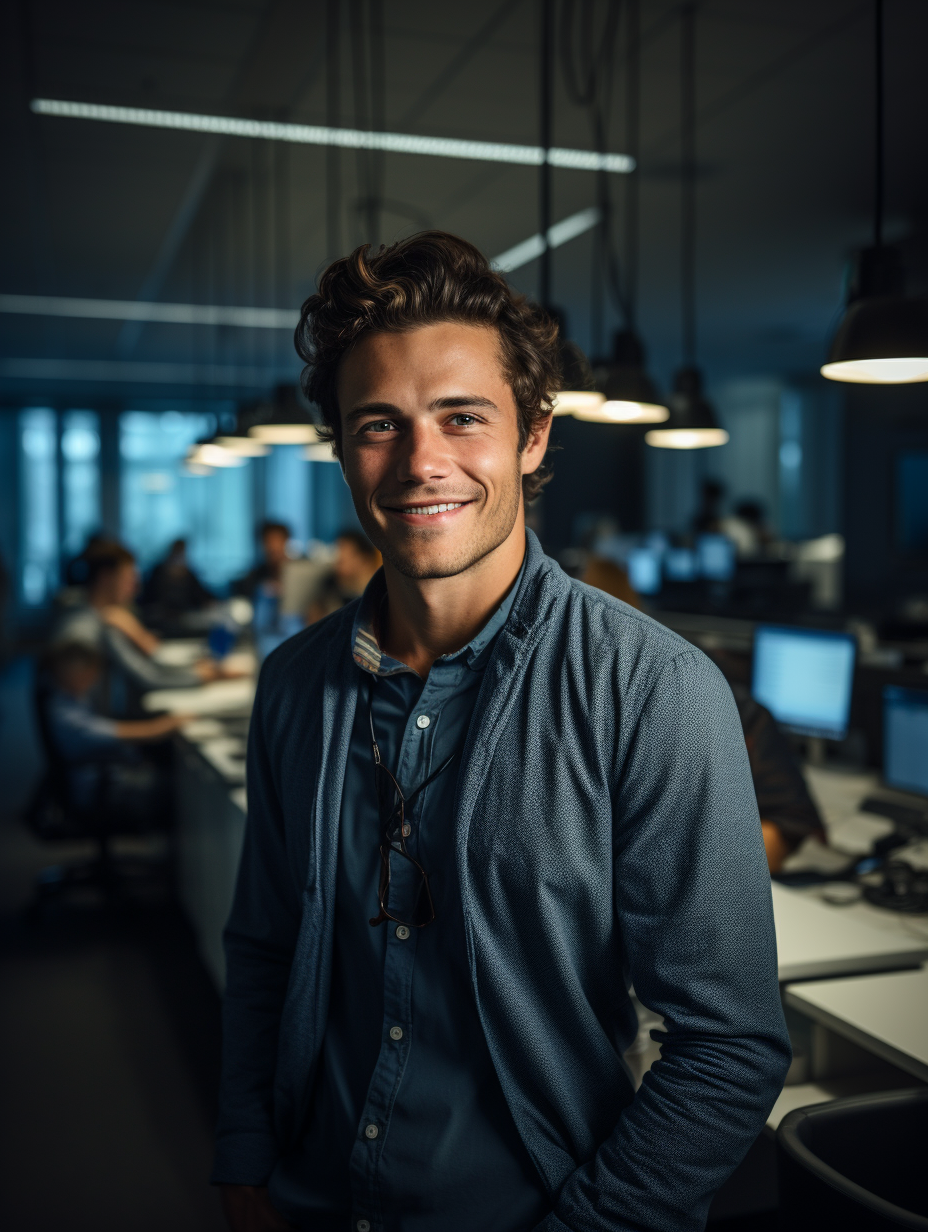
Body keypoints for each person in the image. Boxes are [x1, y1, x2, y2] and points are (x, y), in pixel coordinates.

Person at [214, 232, 790, 1232]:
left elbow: (729, 1047)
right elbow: (265, 946)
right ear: (343, 446)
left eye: (462, 417)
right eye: (379, 424)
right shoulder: (294, 686)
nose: (420, 462)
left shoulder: (654, 691)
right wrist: (243, 1157)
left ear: (531, 435)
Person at [54, 543, 227, 704]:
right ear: (106, 577)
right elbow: (148, 678)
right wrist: (203, 676)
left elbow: (149, 656)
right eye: (128, 578)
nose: (134, 588)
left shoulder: (96, 615)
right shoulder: (94, 626)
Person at [39, 641, 192, 821]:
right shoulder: (65, 714)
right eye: (90, 671)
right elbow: (141, 733)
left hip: (107, 777)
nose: (94, 677)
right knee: (185, 787)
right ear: (73, 673)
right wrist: (172, 722)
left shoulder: (70, 700)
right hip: (102, 789)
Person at [307, 530, 383, 623]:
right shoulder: (330, 584)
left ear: (364, 559)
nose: (338, 557)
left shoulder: (380, 592)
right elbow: (313, 618)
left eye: (343, 558)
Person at [141, 538, 214, 624]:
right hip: (159, 618)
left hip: (186, 618)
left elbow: (201, 594)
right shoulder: (158, 571)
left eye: (182, 552)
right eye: (177, 551)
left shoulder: (189, 574)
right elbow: (148, 597)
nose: (179, 555)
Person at [234, 521, 292, 600]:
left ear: (286, 541)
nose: (273, 546)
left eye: (277, 540)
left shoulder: (300, 572)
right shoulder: (253, 578)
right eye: (269, 541)